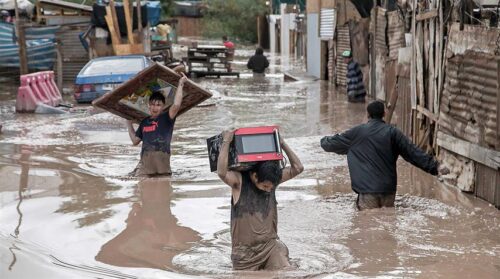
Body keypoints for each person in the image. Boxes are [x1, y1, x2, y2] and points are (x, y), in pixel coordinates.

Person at [320, 100, 449, 210]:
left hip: (367, 192)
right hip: (389, 192)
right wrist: (436, 166)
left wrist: (323, 139)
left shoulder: (356, 133)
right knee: (386, 226)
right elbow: (413, 152)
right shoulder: (393, 133)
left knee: (368, 228)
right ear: (384, 114)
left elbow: (330, 144)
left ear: (367, 114)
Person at [217, 130, 304, 270]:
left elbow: (298, 168)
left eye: (271, 187)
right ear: (255, 176)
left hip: (270, 247)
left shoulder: (271, 180)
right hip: (244, 254)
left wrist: (282, 143)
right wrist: (226, 142)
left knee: (287, 273)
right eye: (265, 186)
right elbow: (221, 172)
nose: (268, 190)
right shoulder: (239, 182)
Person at [126, 73, 188, 176]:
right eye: (153, 104)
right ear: (149, 106)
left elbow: (176, 105)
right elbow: (135, 141)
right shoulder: (144, 122)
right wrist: (128, 123)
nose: (155, 108)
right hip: (146, 164)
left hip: (162, 164)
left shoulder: (167, 118)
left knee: (163, 183)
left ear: (163, 107)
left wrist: (181, 84)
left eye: (158, 105)